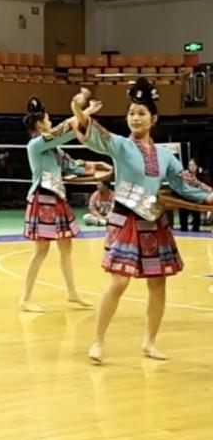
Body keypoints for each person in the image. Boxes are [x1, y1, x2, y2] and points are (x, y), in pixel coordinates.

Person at [71, 80, 213, 364]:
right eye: (132, 113)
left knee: (158, 284)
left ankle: (150, 342)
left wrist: (209, 196)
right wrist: (78, 109)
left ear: (153, 119)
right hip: (126, 219)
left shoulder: (165, 157)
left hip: (153, 221)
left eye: (141, 113)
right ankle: (98, 341)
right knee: (119, 282)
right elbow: (94, 134)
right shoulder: (122, 146)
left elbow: (186, 184)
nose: (135, 118)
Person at [20, 97, 106, 312]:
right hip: (43, 198)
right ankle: (25, 297)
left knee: (66, 247)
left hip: (56, 199)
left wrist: (97, 166)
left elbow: (73, 165)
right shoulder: (36, 145)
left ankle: (72, 292)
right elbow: (63, 131)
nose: (50, 122)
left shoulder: (54, 150)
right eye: (47, 119)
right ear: (39, 124)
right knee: (41, 250)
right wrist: (85, 112)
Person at [178, 158, 209, 232]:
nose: (192, 167)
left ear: (196, 166)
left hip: (197, 197)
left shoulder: (201, 174)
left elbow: (205, 186)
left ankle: (196, 228)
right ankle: (183, 228)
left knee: (196, 209)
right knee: (182, 207)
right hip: (186, 196)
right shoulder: (185, 174)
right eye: (190, 165)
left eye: (193, 165)